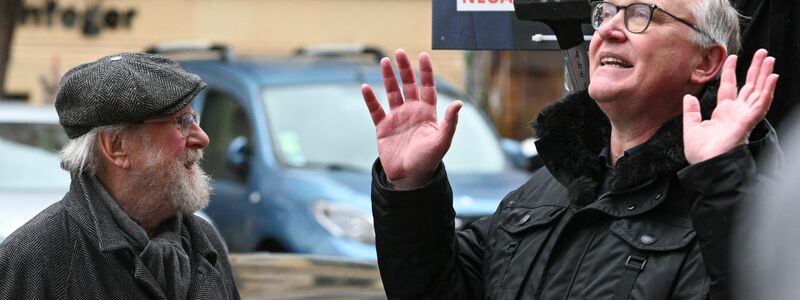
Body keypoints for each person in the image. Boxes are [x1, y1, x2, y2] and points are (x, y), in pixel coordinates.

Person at [361, 0, 780, 298]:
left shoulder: (745, 206)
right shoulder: (543, 192)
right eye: (606, 12)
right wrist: (412, 189)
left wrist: (719, 177)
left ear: (705, 62)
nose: (609, 29)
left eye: (641, 14)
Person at [0, 53, 240, 299]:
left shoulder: (204, 242)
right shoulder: (33, 260)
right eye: (182, 122)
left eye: (194, 119)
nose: (203, 139)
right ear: (116, 146)